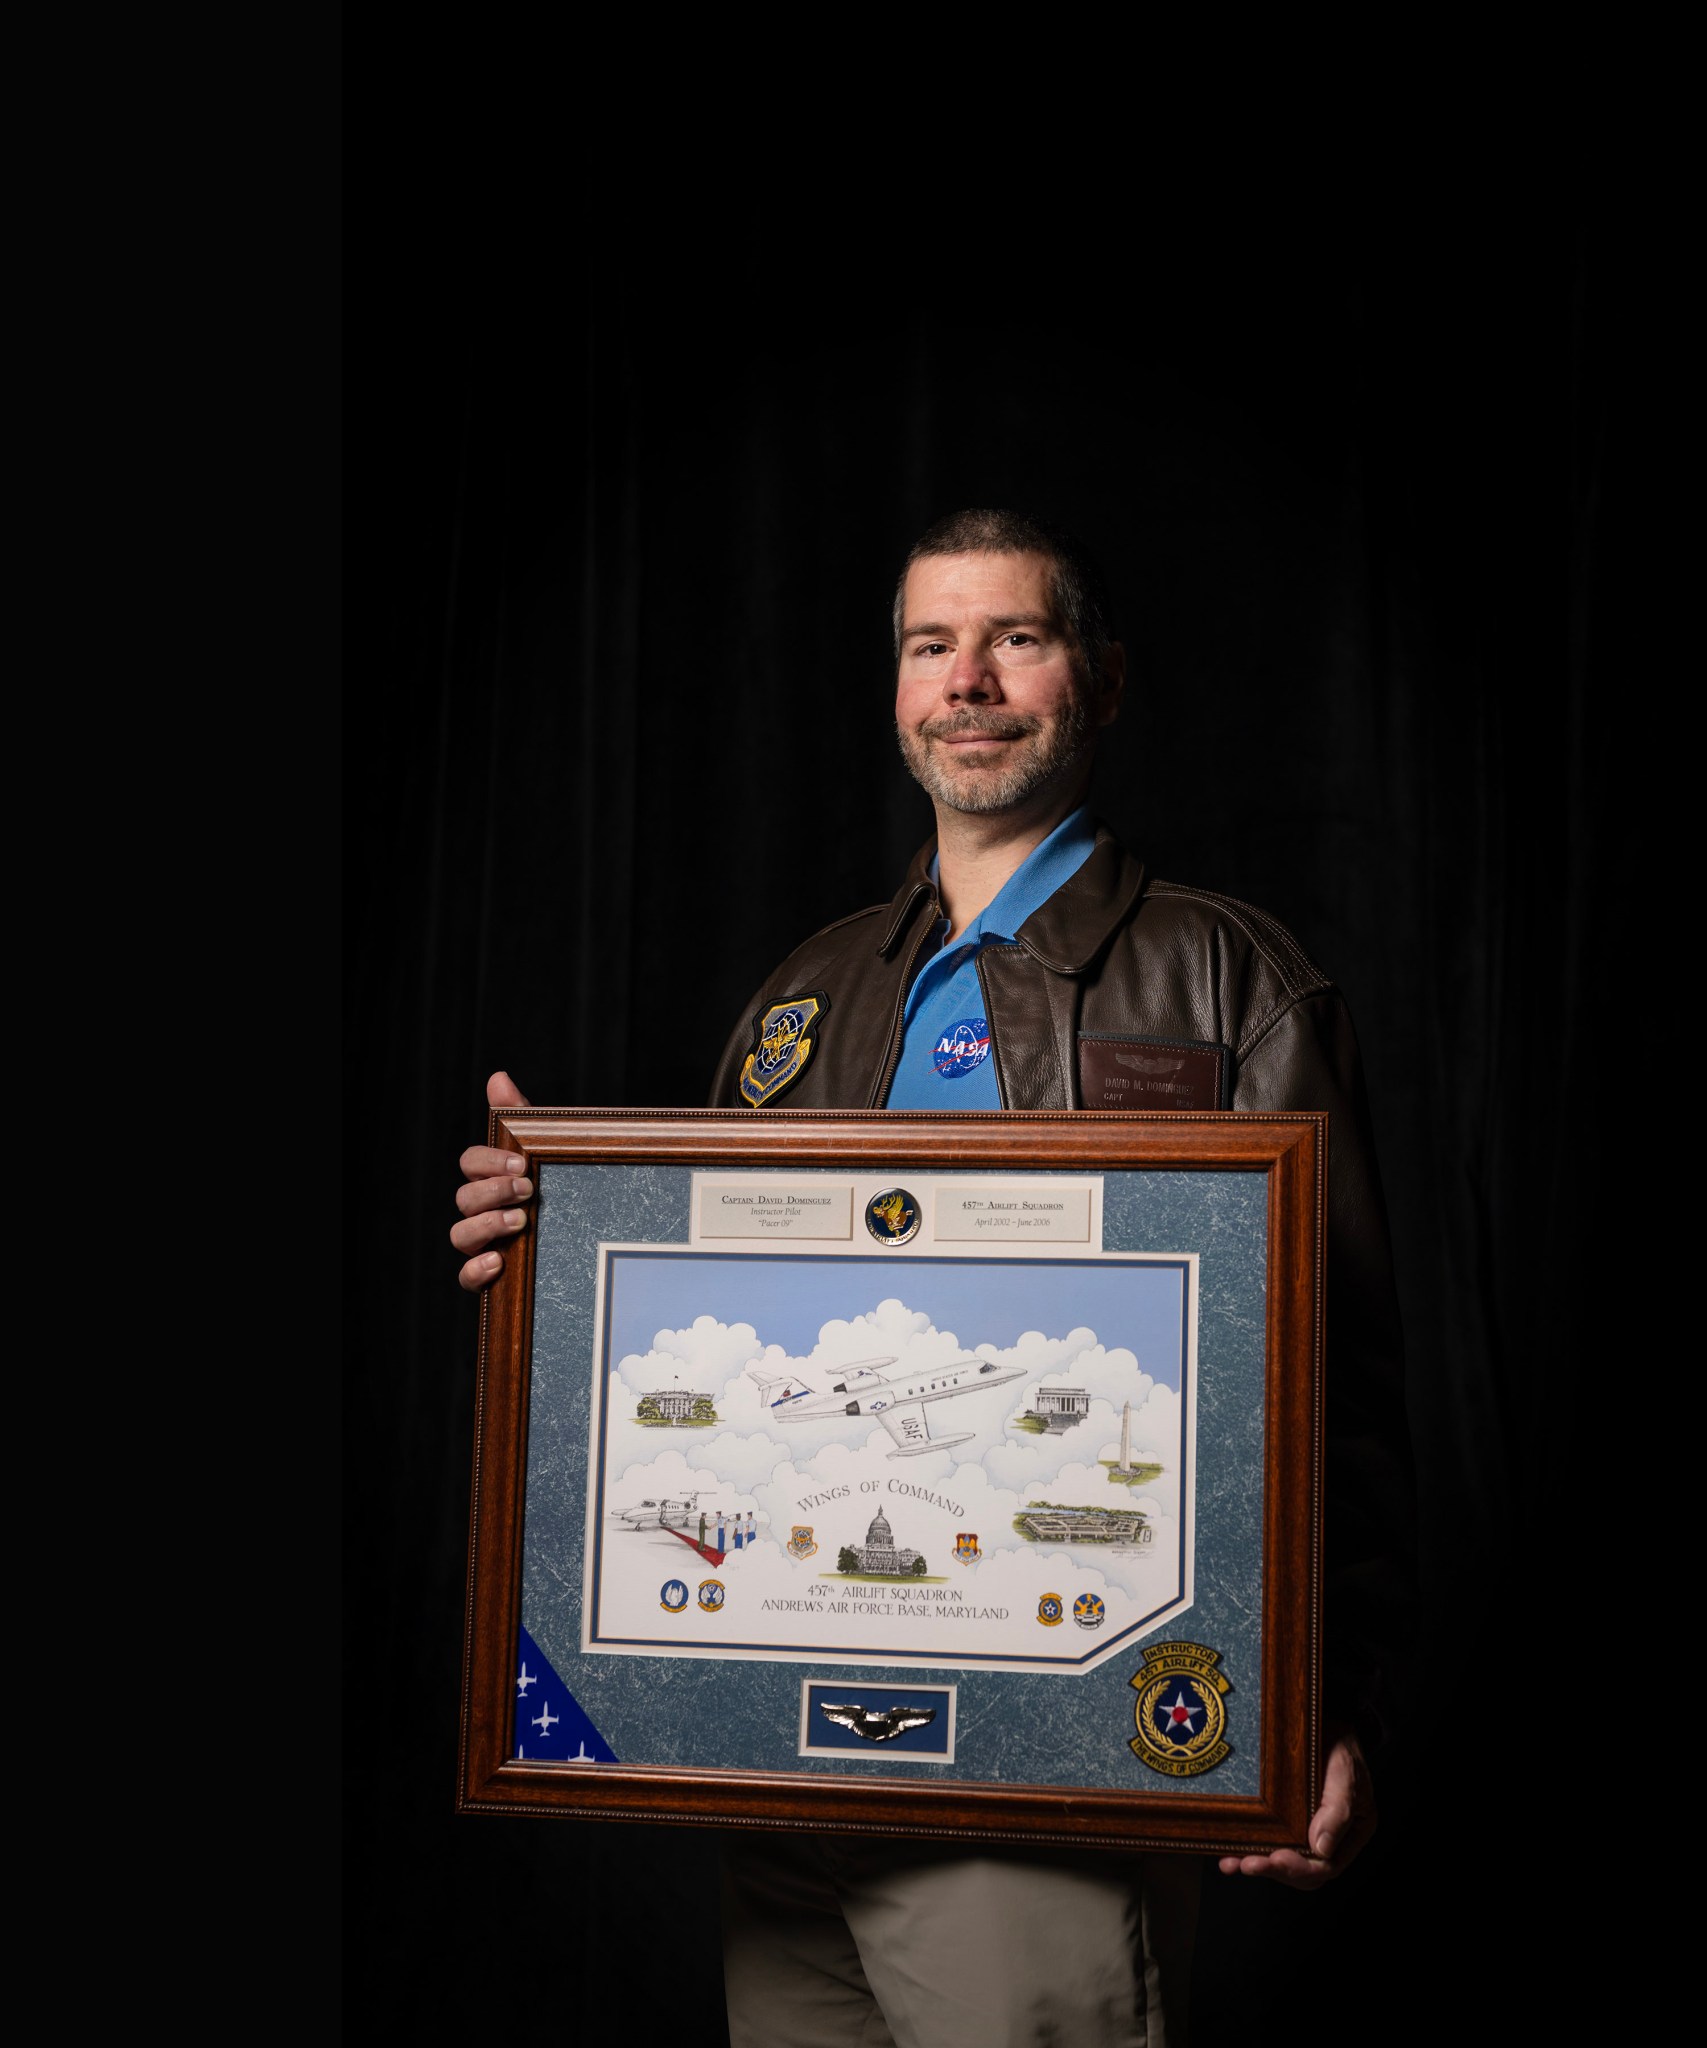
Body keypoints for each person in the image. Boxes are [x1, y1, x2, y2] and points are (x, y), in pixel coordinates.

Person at [452, 509, 1416, 2046]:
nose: (967, 679)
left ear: (1097, 680)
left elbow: (1347, 1380)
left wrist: (1347, 1700)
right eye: (929, 645)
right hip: (777, 1768)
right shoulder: (808, 989)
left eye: (1014, 640)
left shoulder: (1232, 979)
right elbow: (707, 1333)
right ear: (897, 689)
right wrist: (550, 1233)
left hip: (1046, 1777)